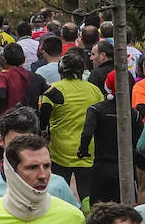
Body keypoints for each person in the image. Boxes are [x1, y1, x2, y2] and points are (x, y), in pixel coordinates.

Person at [38, 50, 103, 195]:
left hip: (59, 151)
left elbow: (43, 118)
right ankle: (87, 215)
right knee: (86, 193)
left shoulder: (54, 90)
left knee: (59, 192)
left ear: (60, 71)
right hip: (87, 150)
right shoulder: (94, 90)